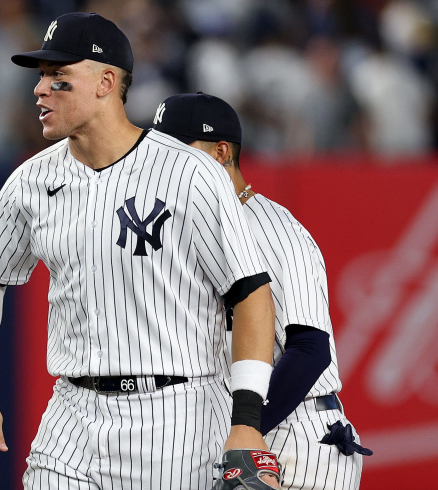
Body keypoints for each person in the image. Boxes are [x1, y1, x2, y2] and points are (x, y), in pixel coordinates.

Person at [0, 12, 280, 490]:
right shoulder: (32, 181)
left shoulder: (188, 173)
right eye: (40, 78)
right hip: (71, 417)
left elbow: (250, 296)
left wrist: (246, 420)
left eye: (59, 78)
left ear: (105, 81)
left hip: (176, 416)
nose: (40, 90)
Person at [151, 91, 371, 490]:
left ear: (220, 153)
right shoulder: (201, 225)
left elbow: (309, 349)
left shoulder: (267, 227)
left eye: (176, 152)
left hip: (296, 439)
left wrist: (246, 429)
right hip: (251, 430)